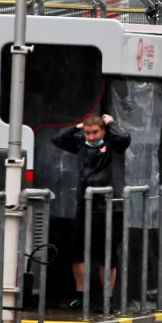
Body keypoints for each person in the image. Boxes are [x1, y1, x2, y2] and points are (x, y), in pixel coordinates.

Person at [53, 113, 131, 308]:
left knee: (108, 253)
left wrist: (110, 123)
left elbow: (124, 137)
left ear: (103, 131)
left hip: (110, 205)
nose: (91, 137)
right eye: (88, 133)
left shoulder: (114, 145)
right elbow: (58, 138)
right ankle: (81, 295)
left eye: (95, 132)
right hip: (85, 203)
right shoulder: (81, 144)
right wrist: (77, 127)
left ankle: (107, 298)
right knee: (78, 251)